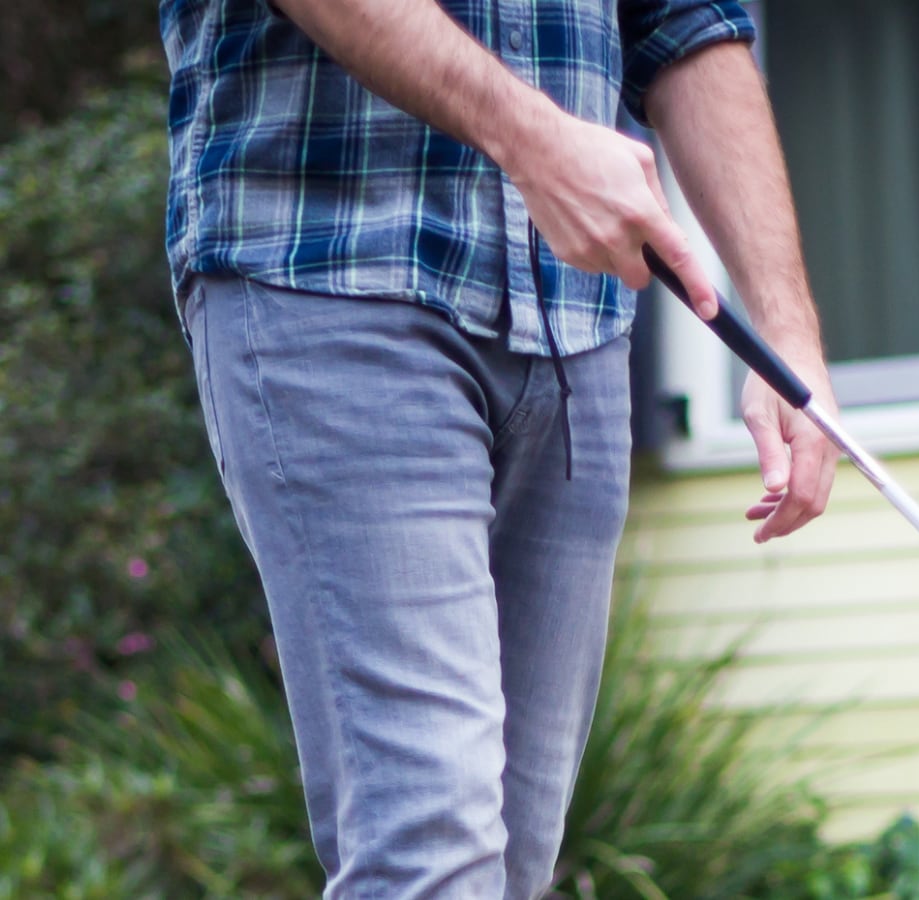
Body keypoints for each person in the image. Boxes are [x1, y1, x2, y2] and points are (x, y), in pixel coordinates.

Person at [158, 0, 839, 895]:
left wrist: (789, 336)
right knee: (432, 847)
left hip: (574, 325)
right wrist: (533, 138)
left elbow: (687, 21)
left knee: (512, 868)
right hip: (331, 264)